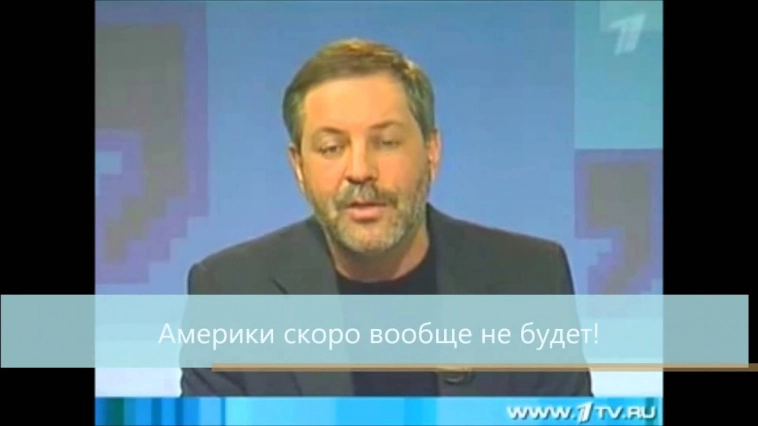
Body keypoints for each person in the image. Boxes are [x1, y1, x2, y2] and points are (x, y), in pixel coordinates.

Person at [180, 38, 592, 397]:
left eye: (387, 142)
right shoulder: (230, 293)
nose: (360, 170)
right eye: (331, 148)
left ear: (431, 152)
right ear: (298, 167)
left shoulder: (530, 281)